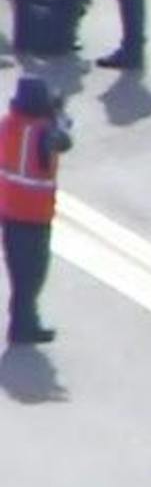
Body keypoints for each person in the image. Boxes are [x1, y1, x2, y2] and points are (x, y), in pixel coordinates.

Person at [1, 77, 65, 344]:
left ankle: (24, 321)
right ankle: (22, 326)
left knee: (19, 273)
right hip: (33, 215)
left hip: (9, 211)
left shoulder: (8, 124)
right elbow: (63, 141)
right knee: (33, 274)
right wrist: (58, 116)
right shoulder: (41, 132)